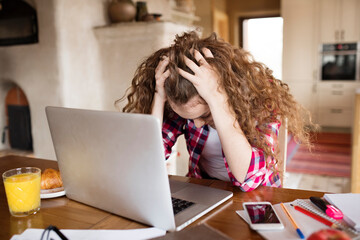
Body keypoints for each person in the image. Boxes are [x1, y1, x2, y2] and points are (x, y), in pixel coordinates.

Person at [116, 31, 313, 192]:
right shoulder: (186, 99)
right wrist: (159, 97)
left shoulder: (261, 100)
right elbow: (147, 161)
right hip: (206, 191)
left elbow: (249, 180)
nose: (197, 123)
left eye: (204, 115)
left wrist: (218, 99)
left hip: (258, 197)